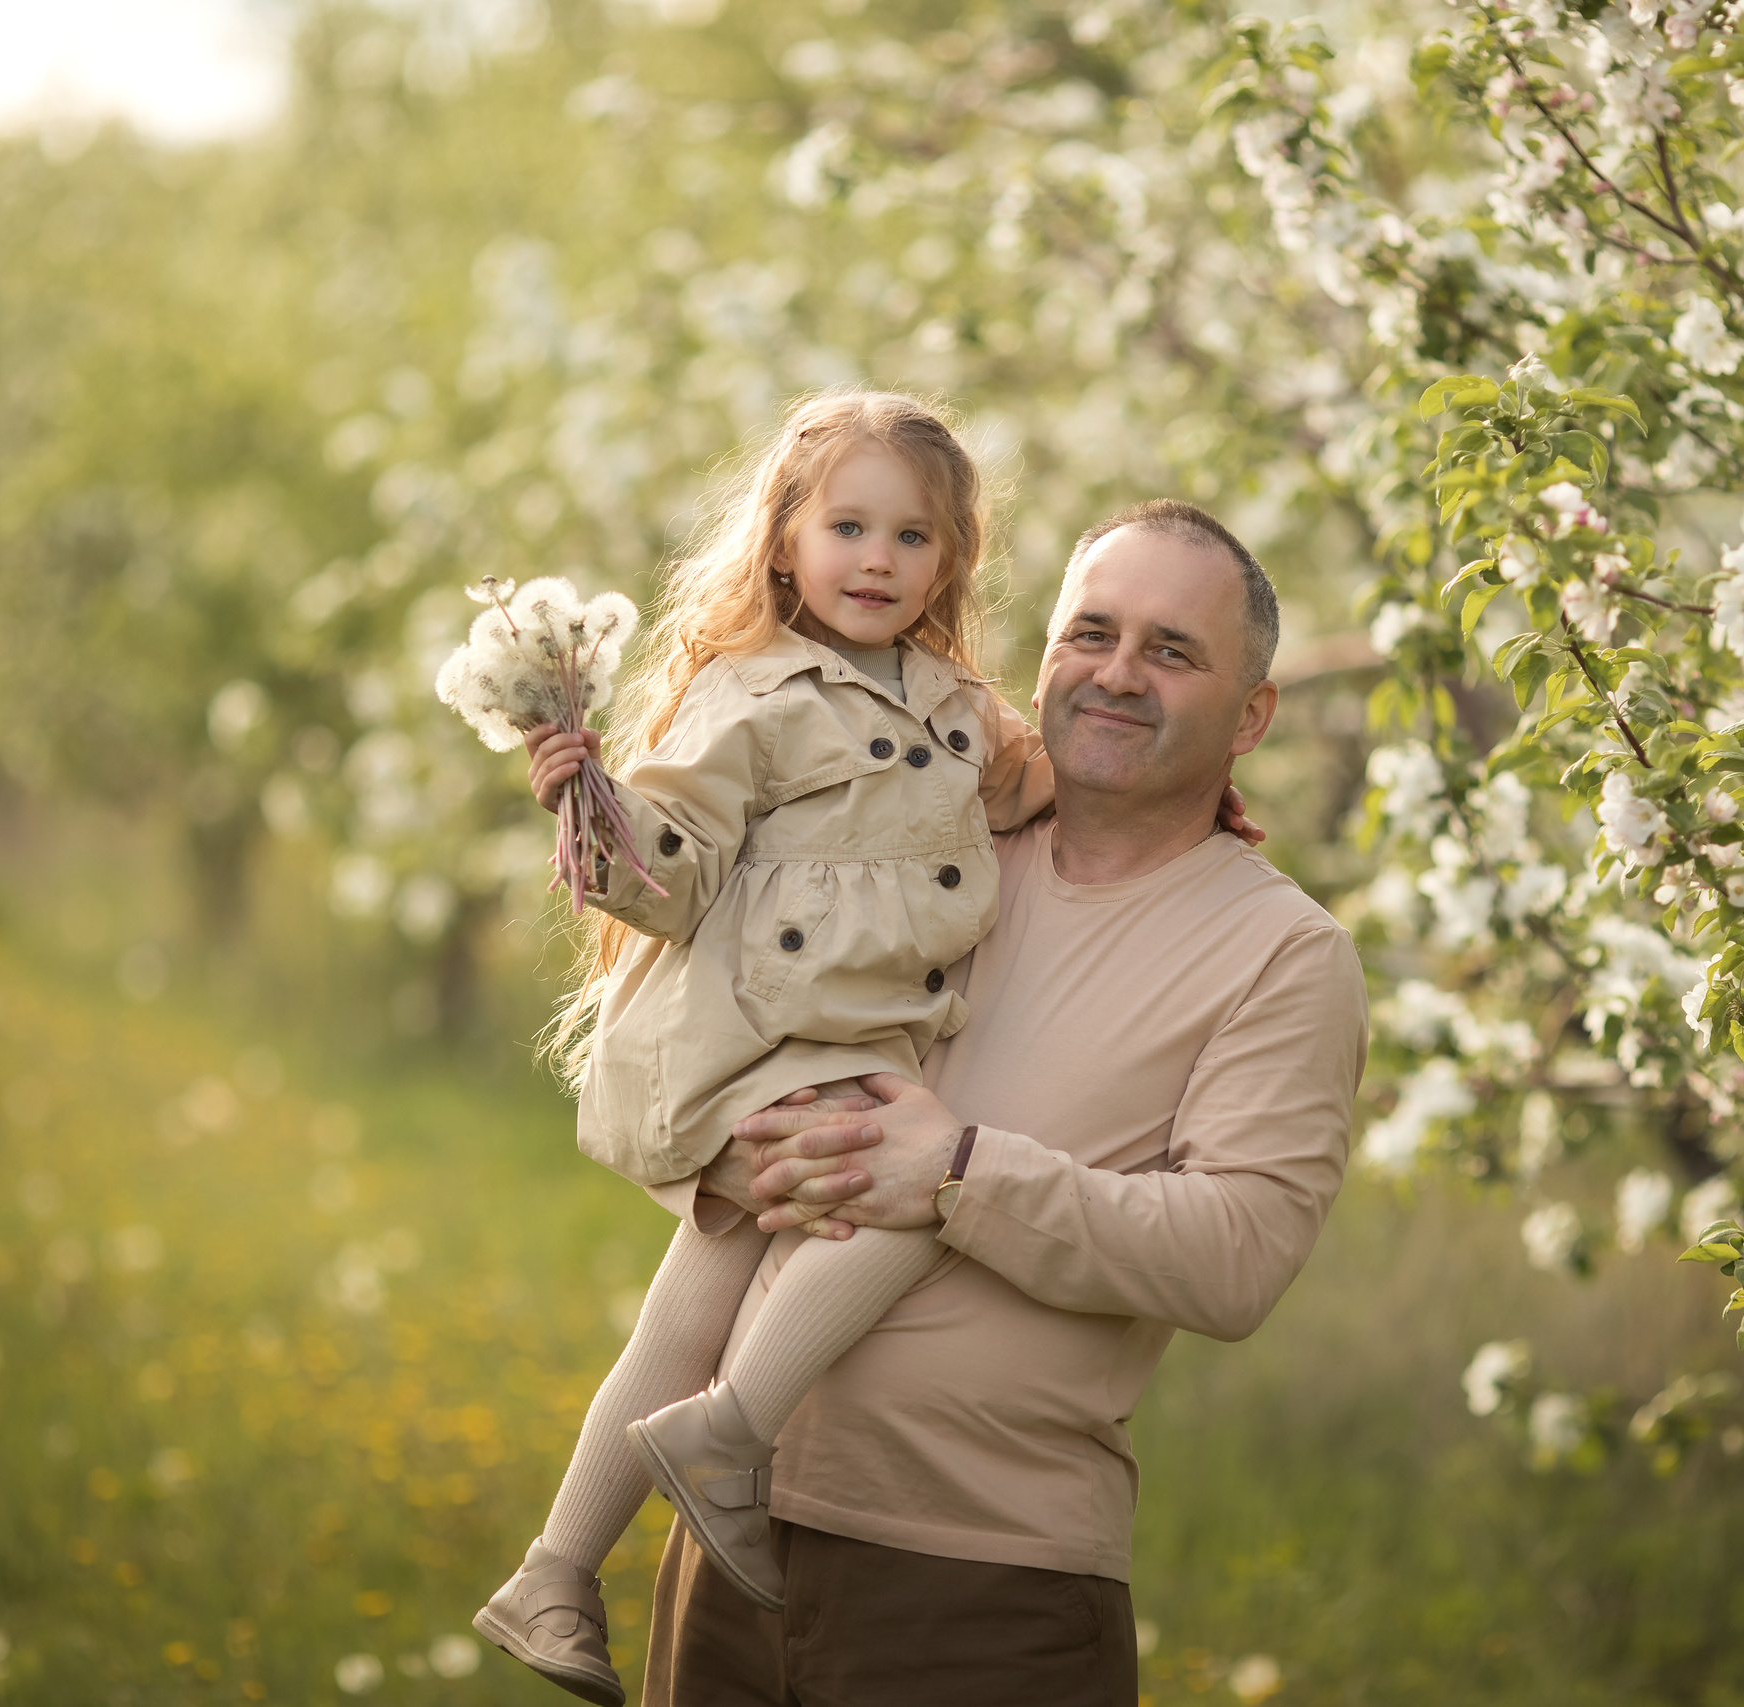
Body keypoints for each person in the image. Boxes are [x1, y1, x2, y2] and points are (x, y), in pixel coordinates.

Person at [637, 500, 1371, 1706]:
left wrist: (963, 1172)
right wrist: (736, 1159)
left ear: (1251, 716)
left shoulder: (1279, 954)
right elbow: (725, 1019)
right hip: (730, 1532)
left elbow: (1235, 1260)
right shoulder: (915, 839)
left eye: (1171, 652)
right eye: (1091, 633)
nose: (1117, 675)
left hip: (982, 1585)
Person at [468, 390, 1050, 1706]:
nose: (878, 558)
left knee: (690, 1307)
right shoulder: (753, 695)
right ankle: (728, 1437)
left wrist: (1168, 789)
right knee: (912, 1194)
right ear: (784, 539)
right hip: (755, 1040)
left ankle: (555, 1570)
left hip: (841, 1040)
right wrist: (584, 801)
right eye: (848, 524)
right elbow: (663, 872)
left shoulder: (960, 703)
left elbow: (1025, 787)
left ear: (950, 561)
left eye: (913, 536)